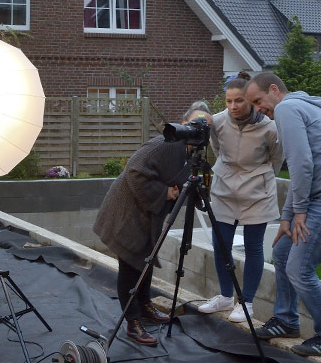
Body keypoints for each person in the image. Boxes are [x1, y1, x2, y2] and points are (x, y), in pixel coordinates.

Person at [244, 73, 321, 356]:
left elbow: (301, 164)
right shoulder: (299, 107)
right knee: (282, 252)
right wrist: (287, 218)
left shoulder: (287, 109)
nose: (259, 109)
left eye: (259, 101)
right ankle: (286, 320)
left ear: (274, 89)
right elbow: (300, 170)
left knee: (299, 268)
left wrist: (299, 211)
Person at [93, 110, 191, 346]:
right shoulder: (164, 145)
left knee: (145, 261)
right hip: (127, 213)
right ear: (184, 124)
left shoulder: (189, 153)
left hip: (146, 216)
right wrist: (164, 191)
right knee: (130, 265)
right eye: (194, 123)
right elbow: (135, 170)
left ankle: (145, 306)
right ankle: (132, 322)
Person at [195, 72, 283, 323]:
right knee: (221, 245)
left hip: (258, 192)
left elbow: (277, 159)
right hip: (225, 190)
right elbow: (216, 149)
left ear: (251, 100)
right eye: (229, 101)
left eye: (239, 101)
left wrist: (260, 177)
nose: (233, 106)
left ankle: (247, 303)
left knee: (254, 247)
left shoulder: (269, 127)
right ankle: (225, 296)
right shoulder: (218, 122)